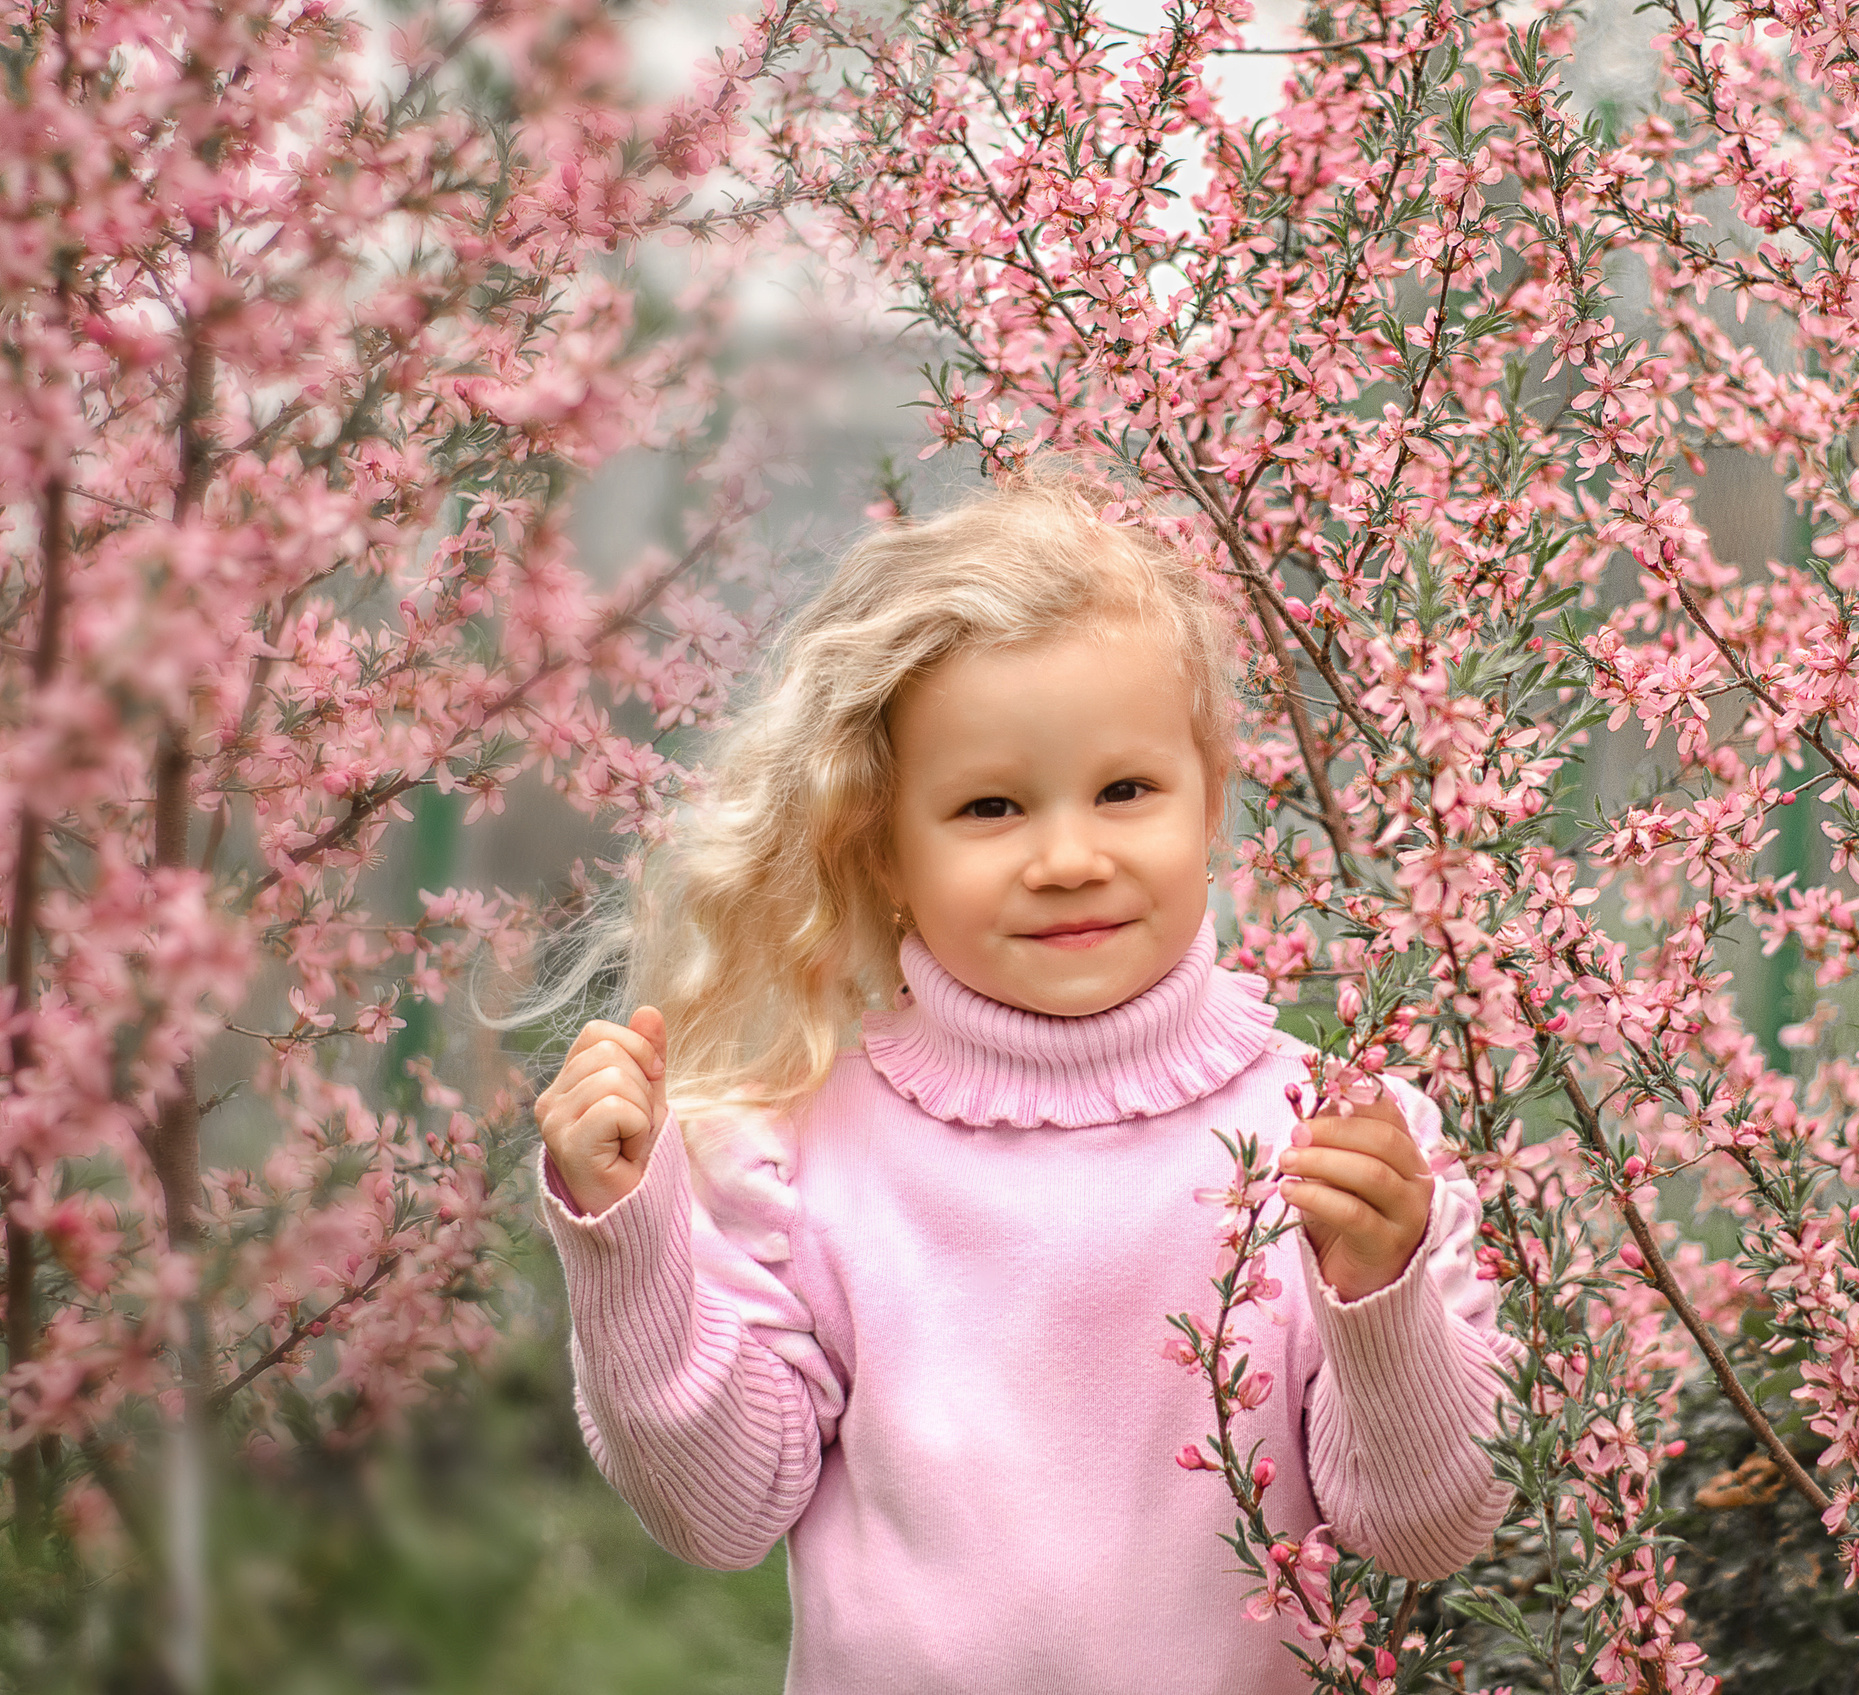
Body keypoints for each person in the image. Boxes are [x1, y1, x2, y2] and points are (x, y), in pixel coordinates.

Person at [519, 470, 1521, 1693]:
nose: (1066, 857)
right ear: (880, 849)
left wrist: (1383, 1296)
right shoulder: (800, 1154)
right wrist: (628, 1248)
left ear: (1210, 800)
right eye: (988, 806)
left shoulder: (1346, 1144)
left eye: (1125, 791)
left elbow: (1424, 1530)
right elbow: (717, 1517)